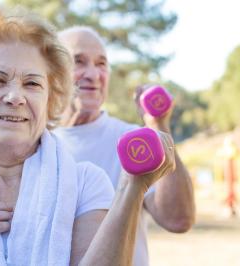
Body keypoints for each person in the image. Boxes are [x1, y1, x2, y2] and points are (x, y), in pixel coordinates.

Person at [0, 8, 175, 266]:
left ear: (51, 100)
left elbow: (178, 219)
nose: (15, 97)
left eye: (32, 84)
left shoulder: (86, 184)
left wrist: (132, 188)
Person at [54, 26, 196, 266]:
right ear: (53, 72)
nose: (94, 74)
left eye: (101, 64)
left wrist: (158, 124)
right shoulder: (35, 146)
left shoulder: (135, 141)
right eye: (79, 62)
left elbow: (178, 219)